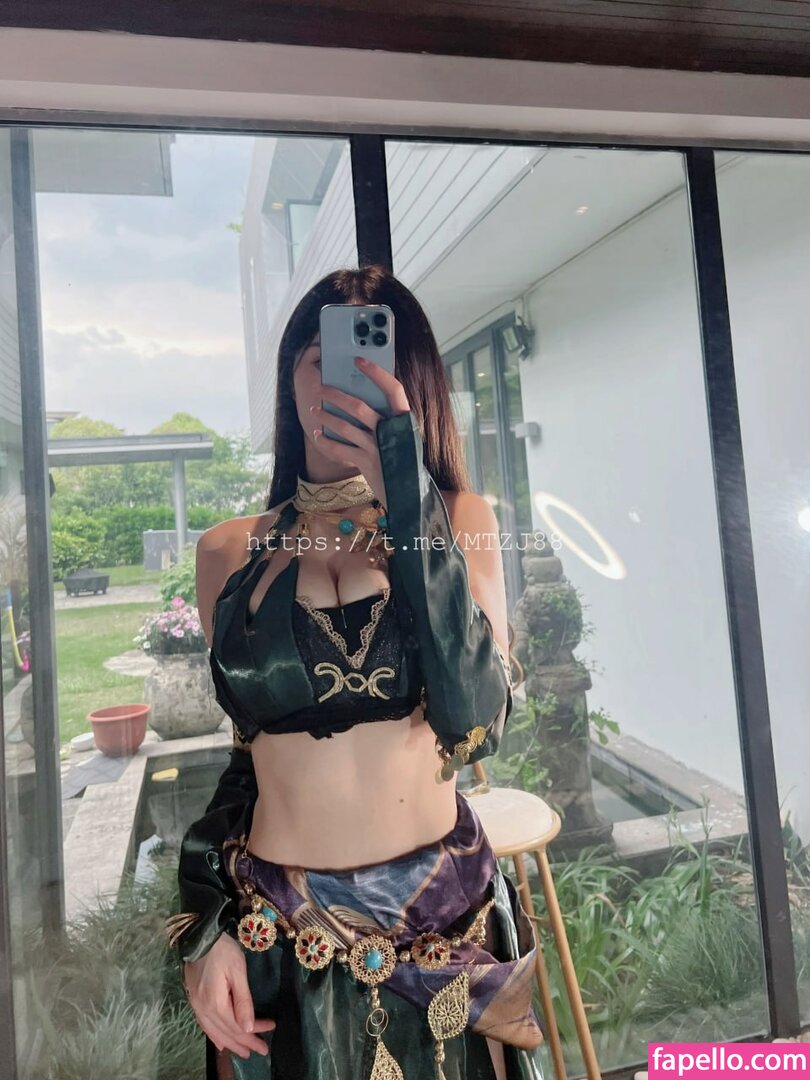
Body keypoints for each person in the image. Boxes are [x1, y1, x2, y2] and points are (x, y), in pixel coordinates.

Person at [165, 265, 545, 1080]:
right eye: (320, 350)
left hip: (444, 932)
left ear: (413, 380)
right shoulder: (228, 550)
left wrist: (403, 491)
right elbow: (246, 760)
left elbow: (477, 720)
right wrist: (208, 924)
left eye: (374, 349)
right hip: (275, 935)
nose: (342, 369)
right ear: (291, 381)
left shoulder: (462, 522)